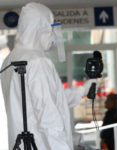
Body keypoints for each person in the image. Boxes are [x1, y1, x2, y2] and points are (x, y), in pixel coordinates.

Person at [1, 2, 95, 150]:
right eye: (50, 29)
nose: (52, 36)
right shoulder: (37, 61)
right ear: (39, 28)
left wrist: (81, 91)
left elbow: (47, 99)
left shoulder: (10, 60)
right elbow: (48, 116)